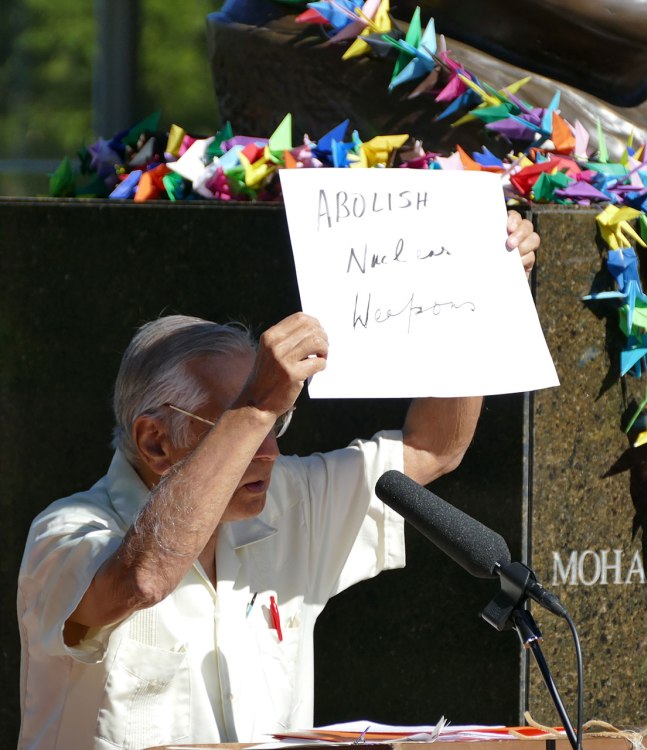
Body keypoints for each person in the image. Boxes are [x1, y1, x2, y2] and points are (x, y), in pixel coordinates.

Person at [17, 213, 539, 750]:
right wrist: (257, 406)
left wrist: (478, 303)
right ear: (154, 442)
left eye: (278, 420)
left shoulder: (290, 498)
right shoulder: (67, 533)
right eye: (239, 425)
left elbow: (434, 446)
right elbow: (141, 579)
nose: (269, 451)